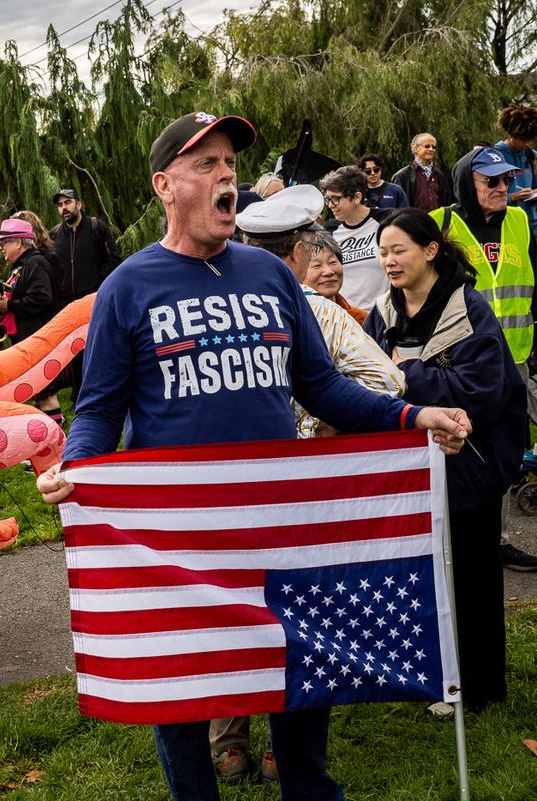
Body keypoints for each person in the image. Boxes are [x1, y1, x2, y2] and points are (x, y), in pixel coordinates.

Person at [35, 110, 471, 801]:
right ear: (165, 186)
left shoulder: (270, 275)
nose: (226, 176)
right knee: (182, 683)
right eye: (206, 164)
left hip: (277, 520)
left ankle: (309, 790)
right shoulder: (128, 286)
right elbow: (98, 408)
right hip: (178, 534)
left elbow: (322, 385)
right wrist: (77, 467)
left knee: (301, 664)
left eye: (231, 164)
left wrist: (413, 415)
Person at [209, 185, 405, 783]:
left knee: (235, 609)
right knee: (288, 614)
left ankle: (234, 743)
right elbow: (387, 380)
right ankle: (273, 746)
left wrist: (324, 418)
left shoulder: (275, 309)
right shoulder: (315, 310)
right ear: (301, 250)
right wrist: (328, 424)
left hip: (244, 484)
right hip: (286, 489)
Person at [365, 208, 526, 708]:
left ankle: (480, 689)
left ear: (431, 251)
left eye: (399, 250)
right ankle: (438, 675)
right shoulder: (383, 311)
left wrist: (406, 373)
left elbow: (481, 392)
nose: (389, 261)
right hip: (411, 469)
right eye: (383, 252)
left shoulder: (469, 308)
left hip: (471, 468)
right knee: (429, 580)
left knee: (473, 579)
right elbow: (366, 376)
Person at [431, 145, 537, 572]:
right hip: (461, 361)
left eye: (507, 179)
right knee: (457, 446)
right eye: (491, 180)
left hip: (516, 356)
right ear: (465, 182)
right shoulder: (440, 223)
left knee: (505, 450)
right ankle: (449, 539)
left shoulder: (520, 220)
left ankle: (497, 539)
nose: (502, 187)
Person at [50, 188, 122, 399]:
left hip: (93, 300)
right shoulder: (55, 234)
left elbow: (114, 260)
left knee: (97, 346)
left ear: (79, 205)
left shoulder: (96, 227)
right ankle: (78, 394)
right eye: (60, 205)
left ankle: (102, 390)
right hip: (67, 304)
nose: (64, 208)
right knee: (73, 349)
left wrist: (96, 284)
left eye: (68, 203)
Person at [0, 219, 63, 423]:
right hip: (27, 339)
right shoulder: (20, 265)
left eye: (3, 242)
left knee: (46, 397)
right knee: (38, 397)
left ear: (18, 242)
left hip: (37, 340)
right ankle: (44, 438)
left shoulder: (34, 263)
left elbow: (43, 298)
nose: (0, 247)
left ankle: (57, 439)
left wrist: (10, 306)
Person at [320, 166, 389, 309]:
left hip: (383, 313)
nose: (331, 205)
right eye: (328, 199)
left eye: (336, 199)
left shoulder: (387, 220)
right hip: (346, 315)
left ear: (357, 197)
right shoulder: (329, 230)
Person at [303, 230, 368, 324]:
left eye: (332, 262)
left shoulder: (361, 319)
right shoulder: (291, 322)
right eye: (317, 265)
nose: (328, 272)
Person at [494, 103, 537, 236]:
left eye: (530, 139)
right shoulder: (495, 156)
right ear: (511, 134)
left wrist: (534, 193)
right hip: (506, 226)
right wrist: (512, 197)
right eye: (523, 139)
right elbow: (486, 195)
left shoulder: (532, 156)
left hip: (532, 226)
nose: (527, 144)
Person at [390, 133, 453, 212]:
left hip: (437, 219)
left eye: (434, 147)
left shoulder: (439, 175)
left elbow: (447, 201)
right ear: (416, 148)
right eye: (427, 146)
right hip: (412, 219)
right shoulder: (402, 175)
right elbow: (396, 205)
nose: (431, 149)